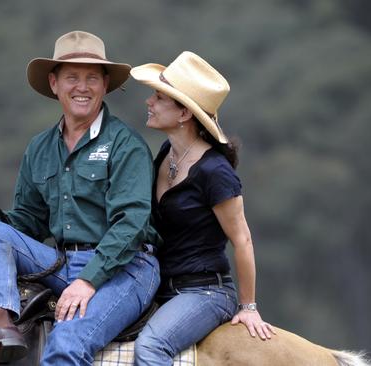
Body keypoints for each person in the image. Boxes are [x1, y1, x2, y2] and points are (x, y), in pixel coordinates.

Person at [0, 31, 160, 365]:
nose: (81, 87)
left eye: (91, 79)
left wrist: (88, 281)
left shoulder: (125, 145)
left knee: (66, 343)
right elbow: (29, 220)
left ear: (104, 85)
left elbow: (130, 225)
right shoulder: (39, 148)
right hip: (60, 263)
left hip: (126, 268)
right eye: (72, 78)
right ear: (55, 84)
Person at [129, 51, 276, 365]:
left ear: (184, 113)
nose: (148, 102)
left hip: (204, 293)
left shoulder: (215, 173)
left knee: (151, 348)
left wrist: (248, 306)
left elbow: (243, 241)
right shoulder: (168, 151)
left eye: (158, 97)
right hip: (158, 284)